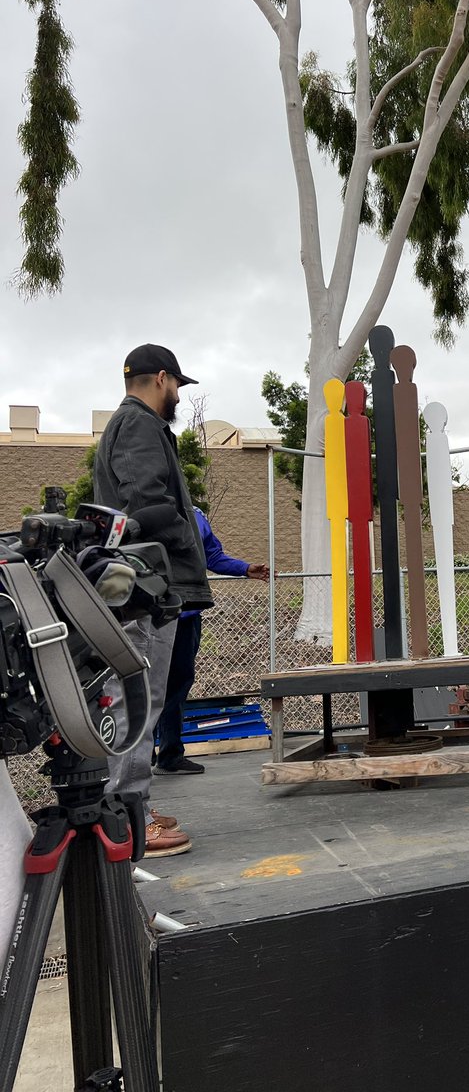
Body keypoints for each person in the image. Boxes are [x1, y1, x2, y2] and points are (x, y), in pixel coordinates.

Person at [93, 343, 213, 857]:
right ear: (161, 378)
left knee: (138, 699)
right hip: (144, 591)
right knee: (137, 702)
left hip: (141, 589)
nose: (178, 399)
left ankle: (130, 807)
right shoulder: (141, 425)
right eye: (177, 387)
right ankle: (127, 817)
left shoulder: (128, 425)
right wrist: (188, 537)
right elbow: (146, 501)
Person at [154, 506, 269, 775]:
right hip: (150, 617)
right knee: (145, 687)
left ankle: (169, 756)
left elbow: (212, 555)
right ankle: (140, 755)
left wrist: (245, 569)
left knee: (178, 684)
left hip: (186, 617)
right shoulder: (144, 512)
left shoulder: (194, 515)